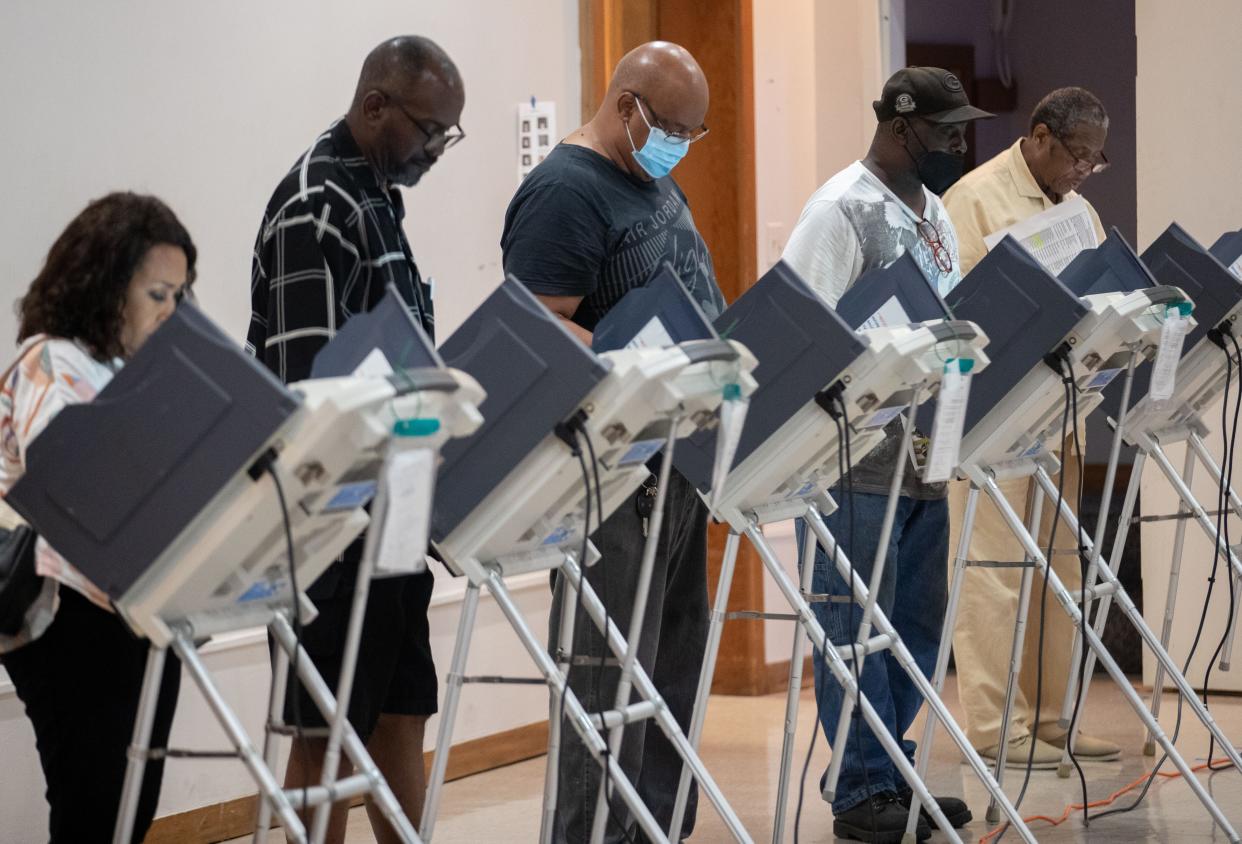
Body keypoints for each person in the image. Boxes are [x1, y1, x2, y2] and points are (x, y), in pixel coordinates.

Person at [500, 40, 720, 843]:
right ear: (626, 106)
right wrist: (643, 365)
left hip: (677, 460)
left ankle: (656, 831)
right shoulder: (563, 191)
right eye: (672, 129)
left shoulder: (648, 175)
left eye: (695, 135)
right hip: (608, 477)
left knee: (669, 671)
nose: (680, 148)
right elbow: (536, 331)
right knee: (605, 683)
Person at [246, 35, 464, 843]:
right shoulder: (314, 205)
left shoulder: (375, 193)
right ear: (375, 106)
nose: (438, 150)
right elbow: (313, 388)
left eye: (448, 135)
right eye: (430, 130)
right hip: (327, 525)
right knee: (323, 733)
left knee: (401, 711)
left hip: (395, 506)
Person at [781, 67, 992, 843]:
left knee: (912, 621)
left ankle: (891, 769)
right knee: (852, 622)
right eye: (946, 133)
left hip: (926, 445)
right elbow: (802, 326)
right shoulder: (839, 211)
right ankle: (861, 788)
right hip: (853, 454)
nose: (958, 145)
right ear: (903, 129)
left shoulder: (933, 209)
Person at [0, 191, 195, 842]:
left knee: (129, 810)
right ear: (106, 286)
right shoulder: (52, 360)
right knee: (94, 806)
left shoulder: (136, 368)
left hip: (137, 602)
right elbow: (75, 488)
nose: (171, 313)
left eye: (179, 296)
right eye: (157, 295)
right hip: (65, 611)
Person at [941, 87, 1118, 768]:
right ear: (1039, 137)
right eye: (1076, 155)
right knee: (992, 572)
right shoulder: (975, 198)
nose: (1082, 171)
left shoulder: (1079, 209)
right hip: (995, 414)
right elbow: (951, 309)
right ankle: (996, 728)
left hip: (1060, 412)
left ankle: (1048, 719)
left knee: (1058, 574)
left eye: (1094, 162)